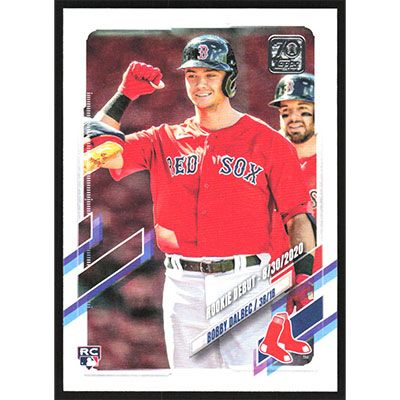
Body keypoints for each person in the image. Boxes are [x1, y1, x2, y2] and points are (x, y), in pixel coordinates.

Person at [84, 34, 315, 370]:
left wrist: (303, 277)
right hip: (182, 284)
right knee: (189, 387)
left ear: (229, 79)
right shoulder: (163, 138)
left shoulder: (268, 141)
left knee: (249, 385)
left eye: (211, 74)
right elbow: (96, 149)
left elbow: (297, 217)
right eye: (192, 75)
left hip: (247, 280)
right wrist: (124, 95)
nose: (200, 84)